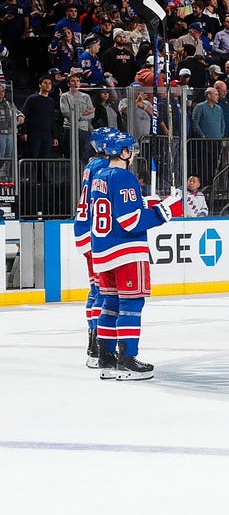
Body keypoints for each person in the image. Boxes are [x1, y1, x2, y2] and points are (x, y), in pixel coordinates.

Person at [87, 131, 183, 381]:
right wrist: (166, 211)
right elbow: (131, 221)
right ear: (123, 152)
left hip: (102, 251)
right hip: (126, 252)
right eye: (130, 148)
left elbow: (123, 207)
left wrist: (152, 202)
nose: (133, 152)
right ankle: (127, 359)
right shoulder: (124, 177)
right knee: (131, 304)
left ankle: (106, 358)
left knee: (109, 304)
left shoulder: (99, 176)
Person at [73, 127, 116, 369]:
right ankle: (98, 344)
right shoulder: (103, 167)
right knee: (103, 290)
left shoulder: (91, 164)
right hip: (95, 230)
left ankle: (93, 343)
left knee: (95, 288)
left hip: (84, 227)